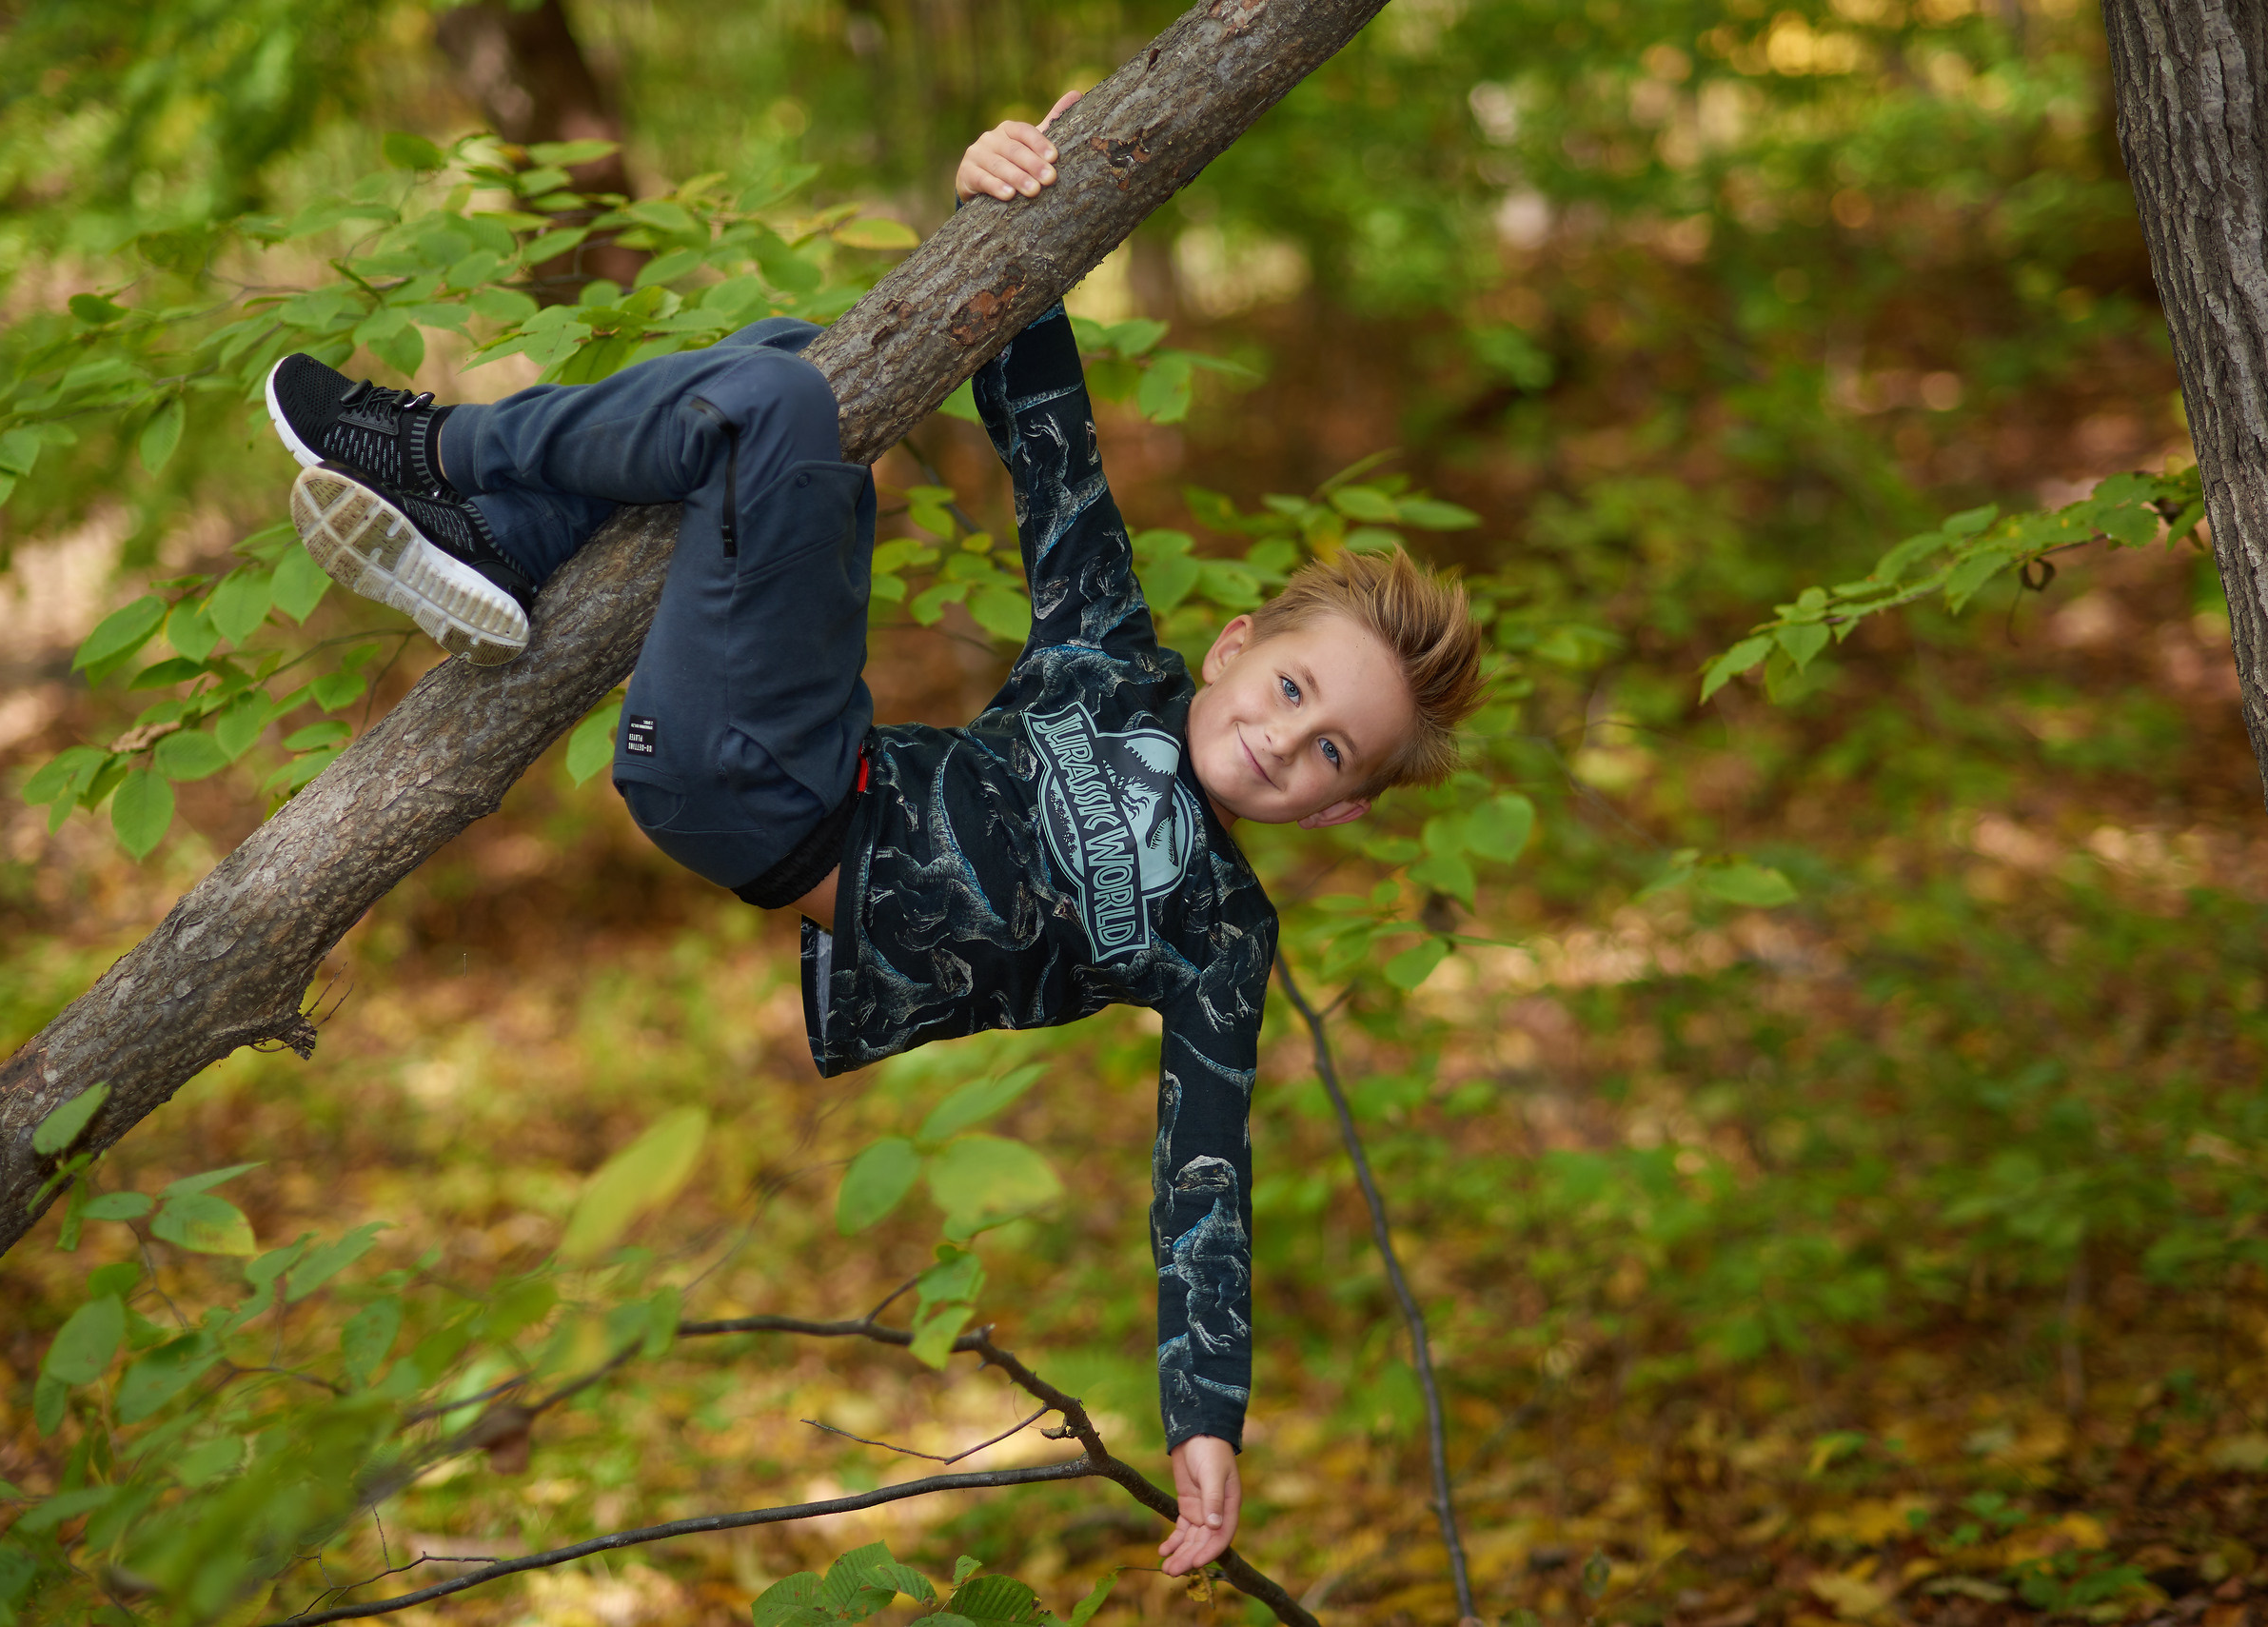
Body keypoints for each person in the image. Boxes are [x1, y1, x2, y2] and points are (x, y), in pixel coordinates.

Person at [262, 101, 1484, 1576]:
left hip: (765, 799)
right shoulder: (1109, 654)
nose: (1287, 738)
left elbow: (1205, 1174)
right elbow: (1046, 428)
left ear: (1344, 805)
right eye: (1293, 689)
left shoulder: (1224, 931)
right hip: (811, 744)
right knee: (792, 362)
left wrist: (1203, 1410)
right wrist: (1005, 182)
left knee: (771, 411)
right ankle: (506, 540)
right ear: (1231, 648)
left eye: (1330, 750)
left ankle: (435, 448)